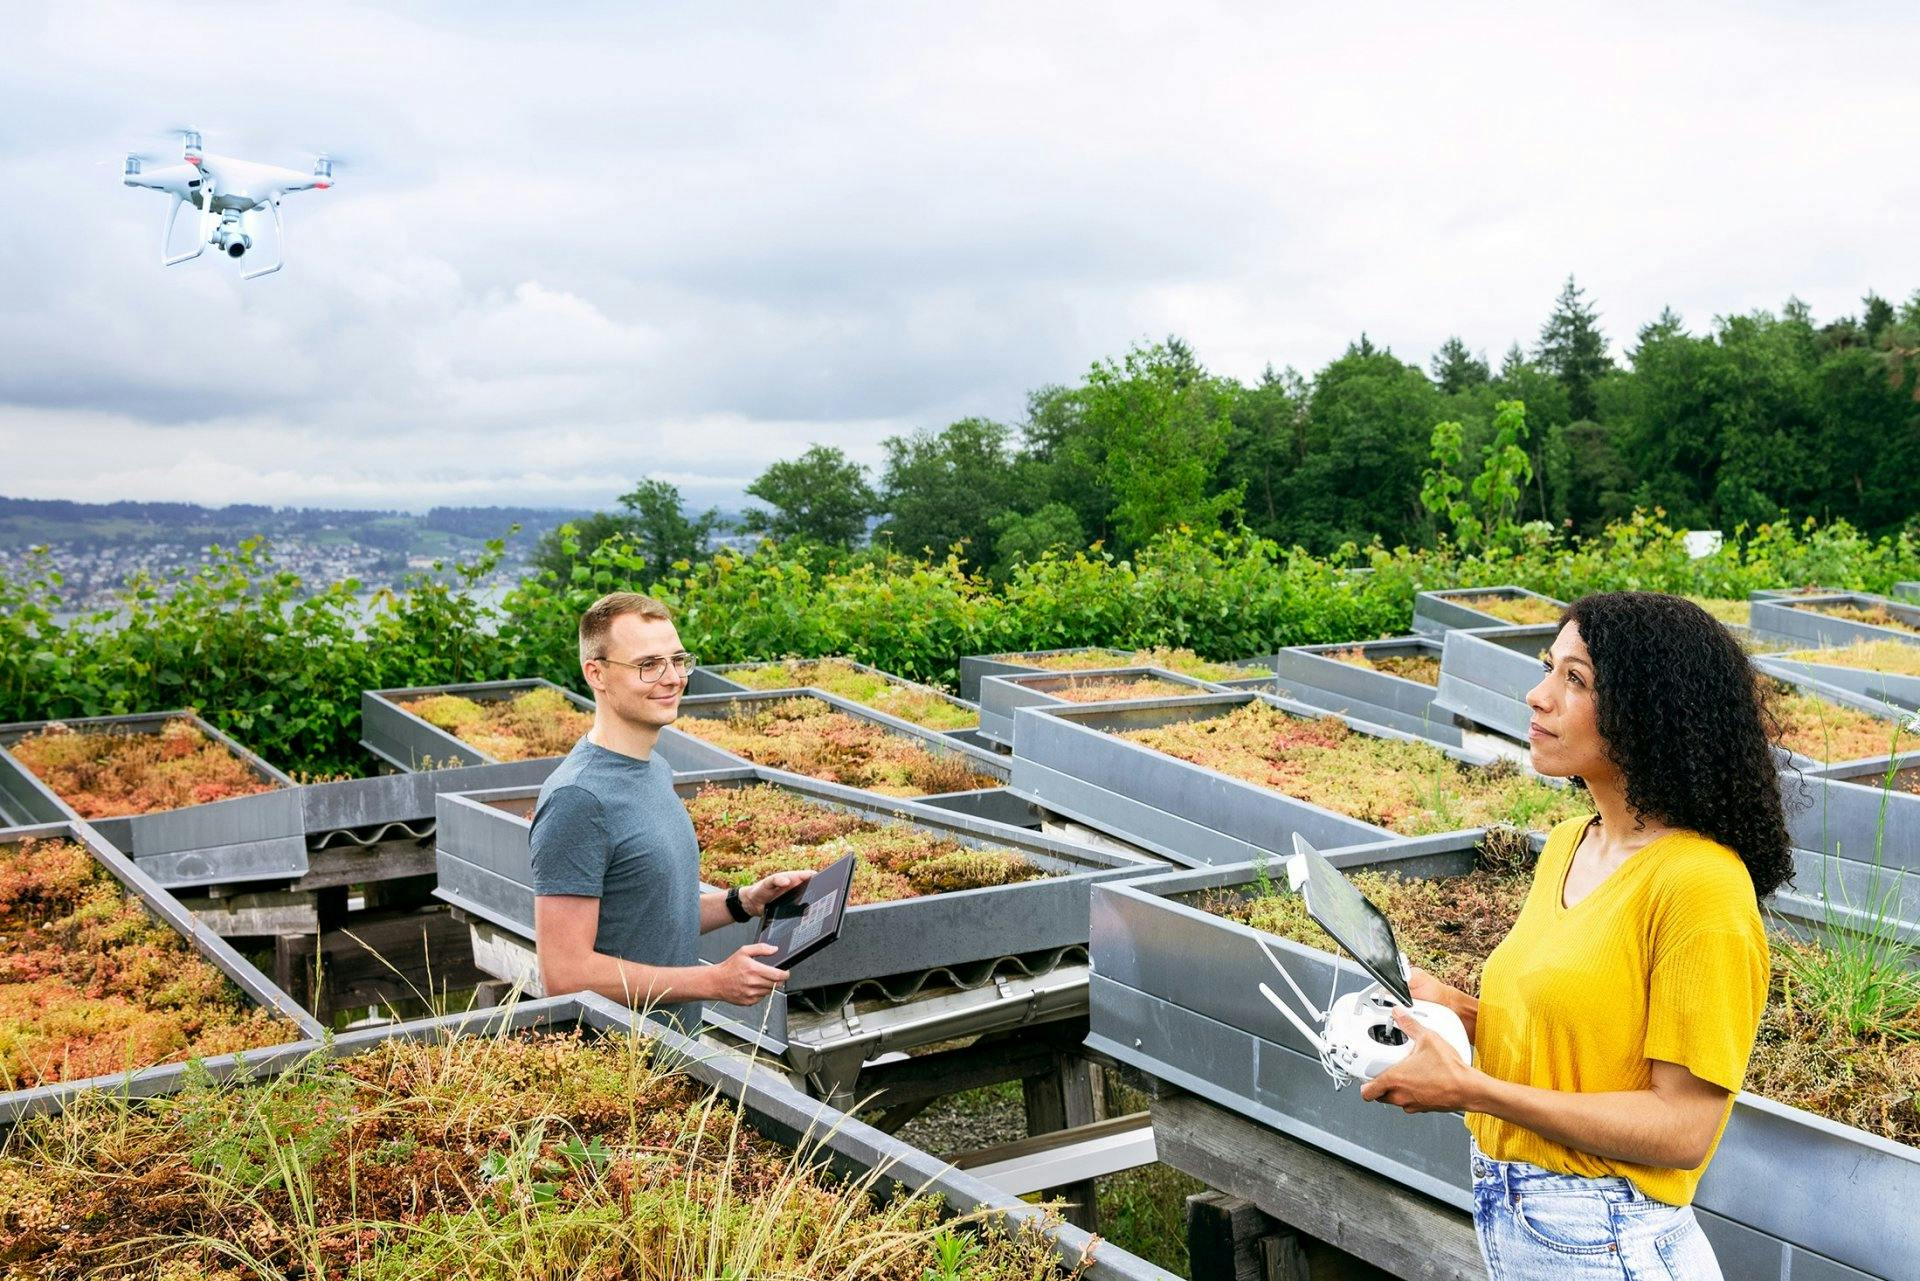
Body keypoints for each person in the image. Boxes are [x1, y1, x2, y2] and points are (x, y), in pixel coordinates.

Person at [1360, 592, 1791, 1280]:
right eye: (1548, 668)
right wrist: (1459, 1010)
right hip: (1526, 1222)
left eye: (1576, 679)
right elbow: (1585, 1043)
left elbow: (1683, 1129)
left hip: (1613, 1242)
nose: (1538, 696)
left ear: (1647, 711)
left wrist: (1474, 1090)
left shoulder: (1700, 885)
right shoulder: (1569, 843)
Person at [529, 590, 814, 1032]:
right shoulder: (577, 799)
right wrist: (713, 981)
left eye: (678, 661)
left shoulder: (654, 768)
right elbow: (564, 974)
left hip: (673, 1051)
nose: (673, 678)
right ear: (596, 674)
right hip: (618, 1061)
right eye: (648, 665)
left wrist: (743, 902)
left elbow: (650, 917)